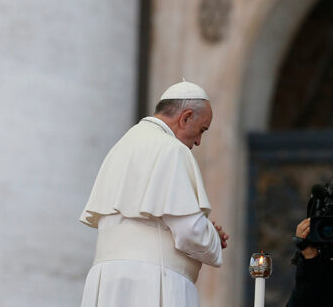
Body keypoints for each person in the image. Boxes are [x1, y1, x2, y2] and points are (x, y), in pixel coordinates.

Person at [79, 81, 229, 307]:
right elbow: (190, 231)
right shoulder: (172, 149)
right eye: (201, 130)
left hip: (106, 283)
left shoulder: (120, 147)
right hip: (153, 283)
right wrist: (213, 236)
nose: (198, 141)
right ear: (185, 117)